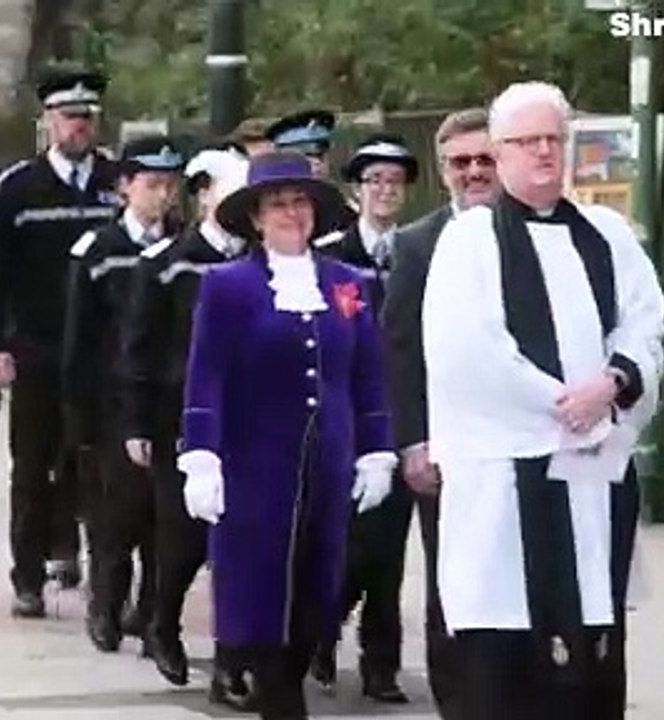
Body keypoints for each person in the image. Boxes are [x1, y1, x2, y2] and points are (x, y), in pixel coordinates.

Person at [419, 82, 664, 719]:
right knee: (506, 676)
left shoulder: (608, 234)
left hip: (592, 488)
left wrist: (610, 385)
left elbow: (646, 323)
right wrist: (566, 405)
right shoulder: (469, 241)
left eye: (554, 138)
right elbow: (470, 354)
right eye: (527, 141)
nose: (544, 152)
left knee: (591, 661)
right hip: (506, 494)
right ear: (499, 154)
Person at [178, 151, 396, 719]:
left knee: (316, 593)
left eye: (299, 202)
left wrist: (377, 449)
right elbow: (208, 374)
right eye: (277, 204)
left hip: (329, 464)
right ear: (255, 217)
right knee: (259, 595)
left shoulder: (347, 284)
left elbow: (368, 373)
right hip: (254, 467)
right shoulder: (228, 286)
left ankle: (290, 680)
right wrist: (200, 453)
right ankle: (278, 701)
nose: (290, 213)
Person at [0, 66, 122, 618]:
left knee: (100, 469)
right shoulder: (19, 187)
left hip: (104, 354)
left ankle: (102, 576)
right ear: (48, 123)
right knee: (33, 466)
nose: (78, 127)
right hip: (38, 350)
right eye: (68, 117)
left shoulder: (118, 182)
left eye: (86, 118)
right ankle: (28, 576)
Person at [116, 144, 256, 708]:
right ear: (204, 197)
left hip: (247, 423)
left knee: (239, 551)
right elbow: (138, 351)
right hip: (180, 421)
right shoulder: (168, 264)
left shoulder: (259, 263)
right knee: (182, 541)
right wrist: (135, 423)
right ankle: (162, 621)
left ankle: (232, 662)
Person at [381, 106, 497, 719]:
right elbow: (398, 348)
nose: (474, 172)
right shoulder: (418, 243)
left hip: (518, 443)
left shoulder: (533, 231)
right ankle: (454, 700)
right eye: (461, 162)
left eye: (485, 160)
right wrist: (413, 442)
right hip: (446, 449)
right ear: (443, 169)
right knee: (450, 581)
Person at [308, 133, 419, 702]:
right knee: (349, 542)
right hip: (346, 419)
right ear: (357, 191)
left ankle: (381, 665)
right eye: (374, 181)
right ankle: (323, 633)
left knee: (390, 552)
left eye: (394, 184)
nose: (384, 192)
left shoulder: (420, 251)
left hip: (402, 418)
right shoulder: (332, 256)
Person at [62, 134, 184, 653]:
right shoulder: (99, 250)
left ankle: (152, 614)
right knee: (116, 516)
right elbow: (79, 339)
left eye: (168, 185)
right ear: (124, 189)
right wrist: (80, 420)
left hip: (162, 402)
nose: (161, 195)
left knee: (164, 519)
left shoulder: (181, 250)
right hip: (111, 404)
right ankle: (105, 607)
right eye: (151, 184)